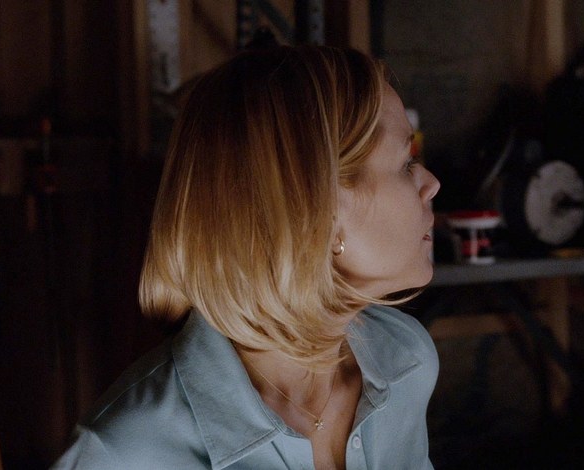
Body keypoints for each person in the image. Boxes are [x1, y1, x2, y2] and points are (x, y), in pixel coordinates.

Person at [53, 42, 441, 469]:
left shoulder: (406, 361)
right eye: (406, 163)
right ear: (319, 209)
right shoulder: (124, 452)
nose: (431, 184)